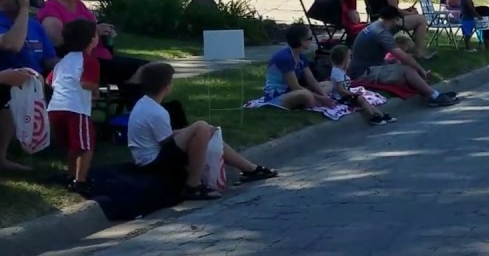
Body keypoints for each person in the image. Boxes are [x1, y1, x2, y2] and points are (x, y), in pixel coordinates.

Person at [128, 62, 277, 200]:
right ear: (167, 85)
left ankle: (250, 169)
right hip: (152, 162)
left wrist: (191, 133)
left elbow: (165, 138)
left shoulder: (144, 103)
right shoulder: (157, 112)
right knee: (201, 127)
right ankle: (193, 185)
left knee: (204, 131)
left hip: (149, 156)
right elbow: (165, 142)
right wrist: (194, 133)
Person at [36, 0, 147, 106]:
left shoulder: (79, 5)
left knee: (147, 69)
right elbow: (56, 42)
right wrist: (93, 31)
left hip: (98, 57)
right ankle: (136, 111)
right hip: (80, 64)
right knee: (144, 70)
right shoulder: (51, 12)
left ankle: (133, 109)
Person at [0, 0, 57, 171]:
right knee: (6, 95)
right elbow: (12, 45)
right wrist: (24, 9)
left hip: (37, 81)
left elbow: (50, 59)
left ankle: (67, 143)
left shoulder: (34, 25)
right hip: (10, 82)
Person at [349, 6, 459, 106]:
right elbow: (403, 56)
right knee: (407, 69)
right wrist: (421, 70)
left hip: (366, 66)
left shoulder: (374, 26)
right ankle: (433, 96)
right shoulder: (381, 33)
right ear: (394, 19)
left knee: (399, 64)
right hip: (363, 73)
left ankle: (427, 91)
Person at [47, 19, 100, 193]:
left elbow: (49, 81)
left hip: (55, 108)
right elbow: (86, 83)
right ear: (92, 39)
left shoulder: (63, 61)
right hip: (76, 109)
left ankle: (71, 175)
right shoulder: (89, 61)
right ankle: (81, 180)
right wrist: (95, 90)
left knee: (72, 145)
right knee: (86, 145)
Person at [262, 23, 336, 111]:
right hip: (277, 96)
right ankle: (313, 102)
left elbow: (312, 80)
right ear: (302, 41)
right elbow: (295, 87)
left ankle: (314, 101)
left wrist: (325, 96)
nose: (311, 41)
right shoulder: (285, 58)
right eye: (310, 38)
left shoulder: (300, 56)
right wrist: (321, 98)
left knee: (328, 84)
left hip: (291, 92)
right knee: (305, 95)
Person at [326, 44, 394, 125]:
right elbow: (341, 90)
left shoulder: (341, 71)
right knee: (361, 99)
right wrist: (354, 94)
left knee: (364, 100)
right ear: (344, 59)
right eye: (349, 57)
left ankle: (380, 114)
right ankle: (373, 116)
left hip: (346, 95)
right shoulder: (337, 73)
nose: (351, 59)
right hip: (341, 98)